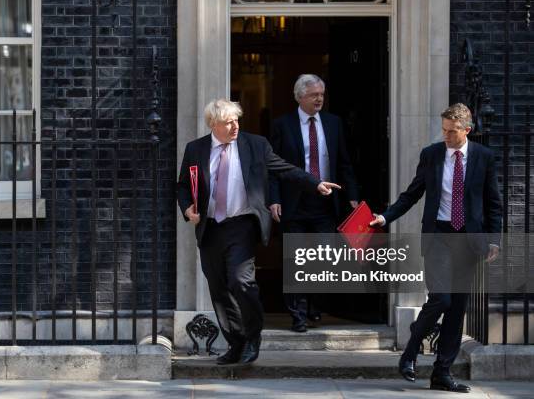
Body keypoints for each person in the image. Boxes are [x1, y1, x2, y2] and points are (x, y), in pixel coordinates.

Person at [177, 99, 341, 365]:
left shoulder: (255, 145)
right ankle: (236, 342)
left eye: (237, 120)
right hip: (210, 229)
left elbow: (285, 169)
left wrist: (315, 183)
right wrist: (187, 210)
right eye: (228, 122)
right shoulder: (196, 149)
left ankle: (253, 336)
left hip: (242, 225)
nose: (235, 126)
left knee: (242, 282)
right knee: (219, 290)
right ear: (213, 124)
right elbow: (183, 186)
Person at [370, 103, 501, 393]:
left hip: (468, 241)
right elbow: (412, 193)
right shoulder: (431, 155)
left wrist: (494, 239)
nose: (446, 136)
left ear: (467, 130)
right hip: (439, 236)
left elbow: (493, 202)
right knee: (441, 299)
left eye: (452, 132)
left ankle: (442, 373)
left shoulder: (484, 157)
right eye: (443, 130)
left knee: (457, 311)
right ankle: (410, 352)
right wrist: (385, 216)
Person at [269, 74, 359, 332]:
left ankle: (313, 306)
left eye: (321, 94)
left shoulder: (333, 123)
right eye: (313, 95)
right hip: (293, 201)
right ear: (299, 97)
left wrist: (351, 195)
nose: (319, 98)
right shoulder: (282, 125)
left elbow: (344, 161)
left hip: (326, 202)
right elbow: (272, 166)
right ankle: (297, 314)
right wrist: (273, 198)